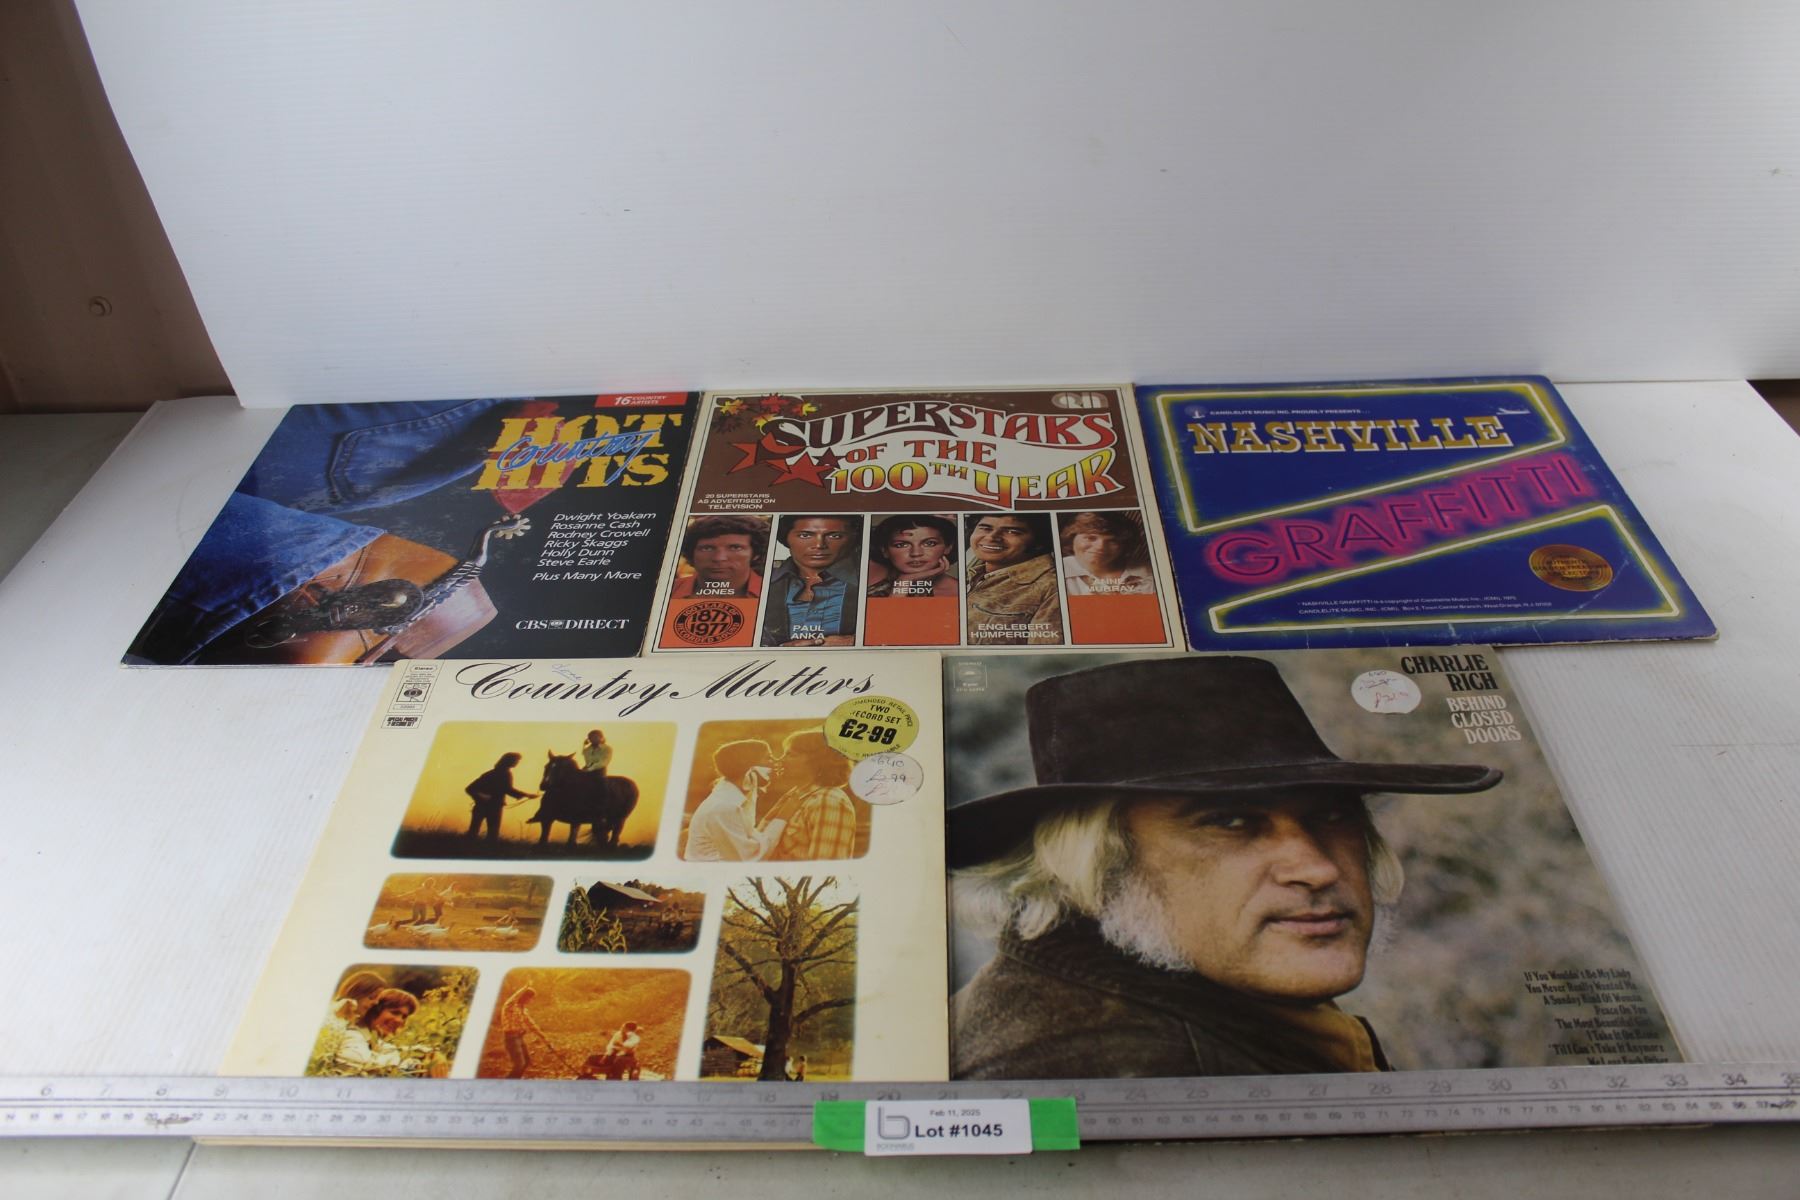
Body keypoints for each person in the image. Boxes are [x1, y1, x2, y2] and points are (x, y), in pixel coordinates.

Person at [949, 656, 1503, 1079]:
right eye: (1231, 822)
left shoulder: (1185, 1010)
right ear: (1095, 866)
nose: (1316, 869)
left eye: (1332, 814)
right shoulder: (1111, 1066)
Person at [761, 515, 861, 646]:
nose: (819, 545)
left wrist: (854, 641)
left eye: (835, 536)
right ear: (786, 538)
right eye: (805, 535)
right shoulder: (761, 582)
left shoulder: (870, 581)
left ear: (852, 539)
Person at [964, 512, 1062, 645]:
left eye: (1012, 532)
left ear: (1039, 542)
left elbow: (1043, 654)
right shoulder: (971, 573)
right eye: (985, 528)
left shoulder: (1052, 586)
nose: (991, 537)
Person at [684, 739, 787, 861]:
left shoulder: (732, 798)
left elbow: (749, 836)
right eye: (768, 758)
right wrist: (784, 816)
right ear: (748, 767)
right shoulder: (724, 806)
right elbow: (751, 856)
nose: (775, 762)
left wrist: (771, 818)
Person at [770, 730, 860, 861]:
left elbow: (826, 865)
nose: (780, 760)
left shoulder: (828, 801)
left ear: (817, 762)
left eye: (791, 755)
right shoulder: (795, 795)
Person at [330, 987, 447, 1077]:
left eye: (404, 1016)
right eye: (394, 1012)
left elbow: (398, 1050)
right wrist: (414, 1065)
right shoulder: (352, 1034)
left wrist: (434, 1053)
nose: (399, 1020)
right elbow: (361, 1065)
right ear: (375, 1011)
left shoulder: (374, 1040)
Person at [1059, 512, 1156, 595]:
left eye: (1113, 541)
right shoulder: (1055, 573)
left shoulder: (1149, 573)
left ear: (1124, 545)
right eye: (1091, 538)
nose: (1100, 547)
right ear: (1071, 538)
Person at [671, 515, 768, 598]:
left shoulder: (771, 591)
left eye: (735, 548)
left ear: (755, 554)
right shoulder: (670, 589)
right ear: (692, 553)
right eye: (707, 548)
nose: (719, 558)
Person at [866, 514, 959, 598]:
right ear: (885, 551)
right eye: (901, 545)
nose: (916, 553)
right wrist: (903, 584)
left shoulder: (961, 592)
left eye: (930, 543)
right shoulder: (868, 584)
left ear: (948, 547)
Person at [464, 752, 538, 840]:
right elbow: (508, 789)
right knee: (492, 834)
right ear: (509, 760)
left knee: (474, 832)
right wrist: (527, 795)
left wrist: (480, 797)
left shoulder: (491, 773)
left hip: (485, 806)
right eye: (516, 760)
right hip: (493, 807)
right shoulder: (505, 774)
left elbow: (470, 789)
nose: (517, 762)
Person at [498, 984, 542, 1079]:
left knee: (526, 1061)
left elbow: (531, 1023)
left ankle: (516, 1080)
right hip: (511, 1038)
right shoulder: (510, 1006)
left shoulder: (522, 1009)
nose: (531, 1001)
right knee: (519, 1064)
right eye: (530, 998)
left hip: (519, 1037)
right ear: (524, 997)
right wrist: (525, 987)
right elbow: (514, 997)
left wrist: (542, 1036)